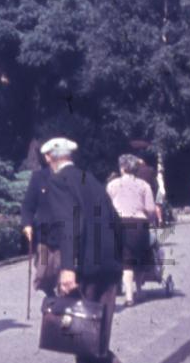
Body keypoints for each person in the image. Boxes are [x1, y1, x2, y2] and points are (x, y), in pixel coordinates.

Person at [38, 137, 124, 363]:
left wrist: (68, 268)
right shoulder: (91, 179)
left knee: (83, 336)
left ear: (49, 157)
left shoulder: (58, 181)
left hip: (85, 266)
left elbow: (69, 223)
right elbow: (115, 220)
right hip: (109, 265)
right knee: (98, 338)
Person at [106, 154, 158, 306]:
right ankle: (139, 290)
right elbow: (150, 209)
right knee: (140, 257)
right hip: (139, 224)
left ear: (122, 168)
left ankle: (129, 296)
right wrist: (150, 220)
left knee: (125, 260)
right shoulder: (144, 185)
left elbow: (107, 207)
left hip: (119, 223)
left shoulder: (112, 185)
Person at [22, 139, 59, 288]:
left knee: (60, 269)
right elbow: (28, 205)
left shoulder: (71, 177)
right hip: (44, 237)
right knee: (43, 273)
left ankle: (59, 299)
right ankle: (49, 293)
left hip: (64, 237)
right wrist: (27, 224)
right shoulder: (39, 177)